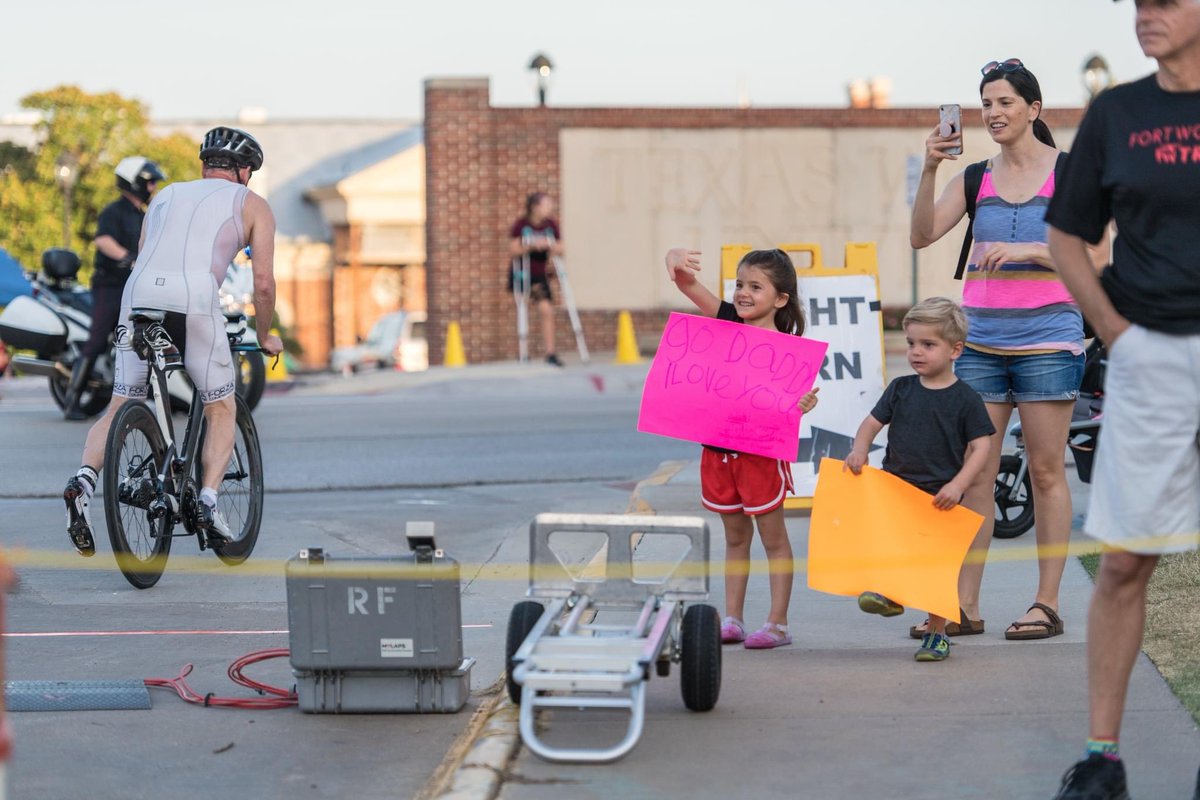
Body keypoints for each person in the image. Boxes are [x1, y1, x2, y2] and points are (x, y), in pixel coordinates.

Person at [1045, 1, 1200, 796]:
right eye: (1139, 3)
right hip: (1152, 357)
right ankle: (1102, 757)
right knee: (1126, 563)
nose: (1149, 14)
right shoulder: (1119, 113)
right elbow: (1065, 235)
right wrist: (1114, 329)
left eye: (1167, 0)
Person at [909, 59, 1085, 642]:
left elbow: (1103, 259)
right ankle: (963, 606)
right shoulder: (976, 177)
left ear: (1034, 109)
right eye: (987, 103)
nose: (993, 113)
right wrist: (932, 166)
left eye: (1005, 102)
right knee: (976, 476)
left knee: (1044, 471)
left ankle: (1047, 603)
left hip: (1049, 342)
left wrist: (1034, 255)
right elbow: (921, 235)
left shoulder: (1070, 172)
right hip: (980, 344)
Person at [62, 127, 283, 557]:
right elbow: (264, 284)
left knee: (120, 402)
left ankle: (84, 481)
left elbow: (147, 251)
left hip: (138, 294)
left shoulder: (164, 196)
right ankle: (207, 502)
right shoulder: (254, 205)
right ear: (243, 172)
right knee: (221, 405)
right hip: (195, 299)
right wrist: (265, 335)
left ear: (204, 165)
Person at [665, 247, 819, 649]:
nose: (743, 293)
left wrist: (800, 407)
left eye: (755, 286)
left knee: (773, 537)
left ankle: (778, 623)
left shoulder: (788, 350)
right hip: (717, 450)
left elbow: (787, 411)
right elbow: (687, 284)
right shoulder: (725, 321)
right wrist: (675, 259)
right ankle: (732, 618)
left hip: (760, 456)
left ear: (781, 298)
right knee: (734, 537)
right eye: (739, 284)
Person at [844, 297, 995, 662]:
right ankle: (892, 595)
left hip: (939, 498)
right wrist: (860, 449)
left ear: (955, 349)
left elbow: (981, 447)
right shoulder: (901, 388)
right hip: (897, 490)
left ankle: (937, 633)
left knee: (934, 569)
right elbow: (871, 423)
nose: (916, 352)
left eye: (928, 345)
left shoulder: (965, 399)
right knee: (893, 547)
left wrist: (959, 485)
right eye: (911, 343)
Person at [62, 156, 165, 421]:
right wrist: (127, 257)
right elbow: (103, 240)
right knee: (98, 338)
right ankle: (72, 399)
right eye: (149, 182)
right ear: (133, 182)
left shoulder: (143, 214)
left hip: (135, 285)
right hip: (110, 285)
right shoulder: (113, 211)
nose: (152, 187)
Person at [508, 192, 564, 367]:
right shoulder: (521, 225)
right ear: (535, 206)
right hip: (524, 272)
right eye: (546, 205)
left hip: (540, 275)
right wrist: (532, 245)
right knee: (522, 309)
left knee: (546, 309)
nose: (549, 208)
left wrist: (550, 246)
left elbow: (561, 246)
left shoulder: (551, 225)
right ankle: (523, 351)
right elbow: (514, 249)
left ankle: (550, 352)